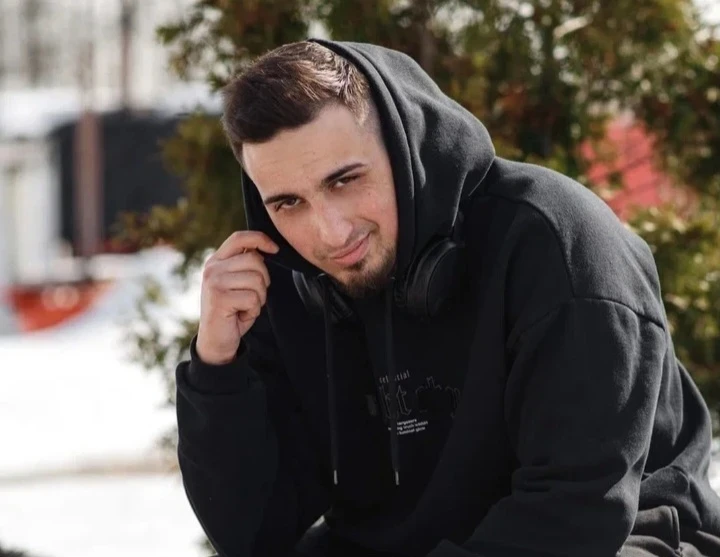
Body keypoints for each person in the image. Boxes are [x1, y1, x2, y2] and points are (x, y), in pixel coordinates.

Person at [175, 39, 720, 557]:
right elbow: (254, 534)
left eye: (345, 181)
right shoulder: (297, 282)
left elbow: (575, 513)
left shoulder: (558, 244)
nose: (330, 232)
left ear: (405, 146)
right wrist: (217, 366)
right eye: (288, 203)